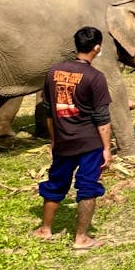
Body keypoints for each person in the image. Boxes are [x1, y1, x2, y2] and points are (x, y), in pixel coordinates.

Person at [33, 26, 113, 249]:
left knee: (56, 183)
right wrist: (107, 148)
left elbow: (49, 110)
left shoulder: (53, 72)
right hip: (89, 143)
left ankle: (45, 229)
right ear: (97, 48)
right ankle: (81, 238)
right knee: (88, 186)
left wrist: (54, 138)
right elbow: (102, 117)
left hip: (63, 141)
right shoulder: (95, 77)